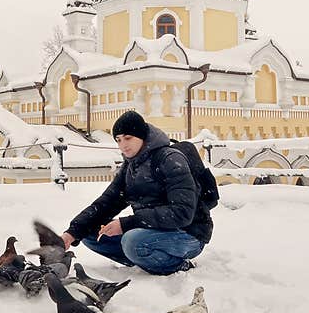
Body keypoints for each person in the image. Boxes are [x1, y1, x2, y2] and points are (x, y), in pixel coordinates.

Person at [61, 110, 213, 275]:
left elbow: (182, 213)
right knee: (92, 233)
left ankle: (176, 265)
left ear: (142, 136)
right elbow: (107, 202)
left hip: (188, 235)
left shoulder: (170, 159)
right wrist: (72, 232)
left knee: (132, 241)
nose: (123, 145)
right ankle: (143, 258)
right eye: (118, 140)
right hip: (151, 232)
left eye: (128, 138)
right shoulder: (131, 166)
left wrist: (127, 224)